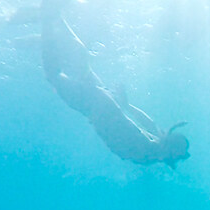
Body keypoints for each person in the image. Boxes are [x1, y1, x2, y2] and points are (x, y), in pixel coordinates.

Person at [41, 0, 189, 167]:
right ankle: (49, 18)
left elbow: (147, 124)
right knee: (54, 75)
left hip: (105, 102)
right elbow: (119, 134)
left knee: (81, 60)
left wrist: (124, 106)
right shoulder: (148, 152)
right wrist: (114, 109)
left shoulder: (154, 145)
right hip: (96, 105)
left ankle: (56, 18)